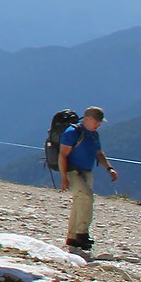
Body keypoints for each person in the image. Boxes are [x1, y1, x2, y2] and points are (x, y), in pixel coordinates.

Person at [58, 106, 118, 253]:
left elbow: (99, 153)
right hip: (72, 171)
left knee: (80, 202)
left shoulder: (93, 135)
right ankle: (82, 233)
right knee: (86, 197)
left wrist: (109, 168)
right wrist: (64, 177)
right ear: (88, 118)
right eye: (97, 121)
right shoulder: (72, 133)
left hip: (87, 171)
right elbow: (63, 155)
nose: (99, 125)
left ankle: (72, 238)